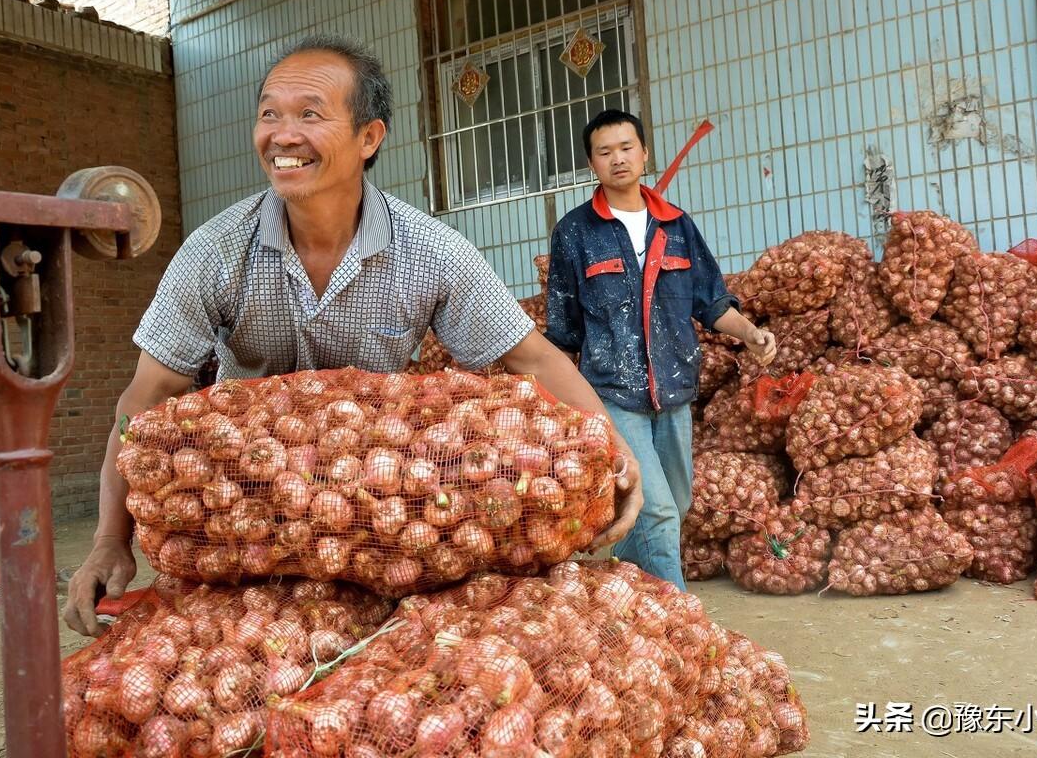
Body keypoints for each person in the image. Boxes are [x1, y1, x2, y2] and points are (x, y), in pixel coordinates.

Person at [63, 35, 644, 637]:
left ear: (369, 137)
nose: (282, 135)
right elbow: (145, 399)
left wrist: (615, 450)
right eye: (270, 113)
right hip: (244, 515)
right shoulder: (214, 251)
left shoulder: (429, 251)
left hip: (384, 517)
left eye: (309, 114)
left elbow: (532, 358)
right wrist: (110, 540)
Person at [544, 109, 776, 590]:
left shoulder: (677, 226)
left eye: (626, 148)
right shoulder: (575, 232)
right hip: (612, 393)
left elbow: (709, 302)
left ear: (644, 153)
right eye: (605, 152)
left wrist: (750, 334)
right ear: (592, 164)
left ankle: (623, 595)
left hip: (673, 390)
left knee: (676, 500)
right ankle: (677, 620)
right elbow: (563, 330)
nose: (618, 159)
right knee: (657, 510)